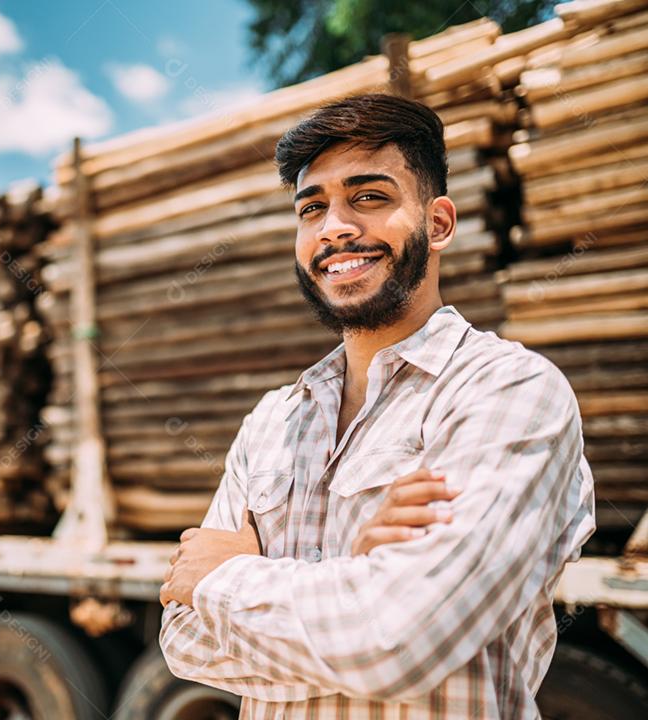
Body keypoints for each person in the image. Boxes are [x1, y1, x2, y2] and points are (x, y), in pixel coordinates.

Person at [158, 93, 596, 719]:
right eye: (313, 208)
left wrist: (227, 582)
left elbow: (405, 638)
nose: (335, 226)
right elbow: (182, 641)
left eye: (369, 197)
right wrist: (354, 586)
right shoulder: (272, 423)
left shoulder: (509, 390)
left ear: (438, 223)